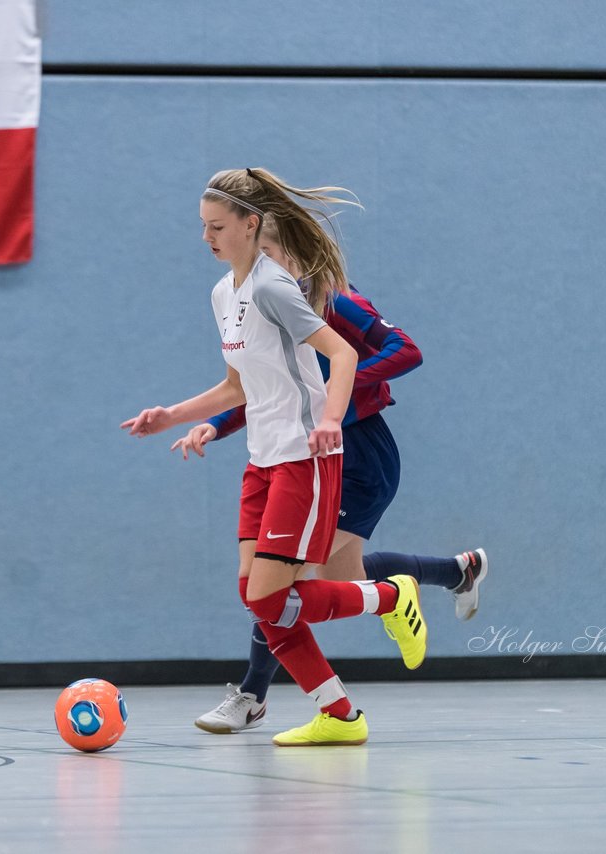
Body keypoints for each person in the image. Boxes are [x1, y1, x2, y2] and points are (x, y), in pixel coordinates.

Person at [123, 168, 427, 746]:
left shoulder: (272, 287)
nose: (207, 237)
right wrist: (174, 415)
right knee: (258, 599)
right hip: (262, 460)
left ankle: (392, 594)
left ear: (251, 223)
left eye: (217, 227)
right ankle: (338, 717)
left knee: (270, 596)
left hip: (303, 460)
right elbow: (237, 386)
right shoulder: (223, 293)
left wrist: (332, 420)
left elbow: (338, 356)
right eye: (202, 227)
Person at [174, 214, 488, 734]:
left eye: (268, 254)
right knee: (338, 579)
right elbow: (261, 388)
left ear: (291, 252)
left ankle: (254, 695)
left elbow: (405, 349)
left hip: (358, 451)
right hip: (315, 447)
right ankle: (456, 572)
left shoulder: (333, 298)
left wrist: (336, 391)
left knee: (281, 585)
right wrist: (212, 425)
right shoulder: (264, 305)